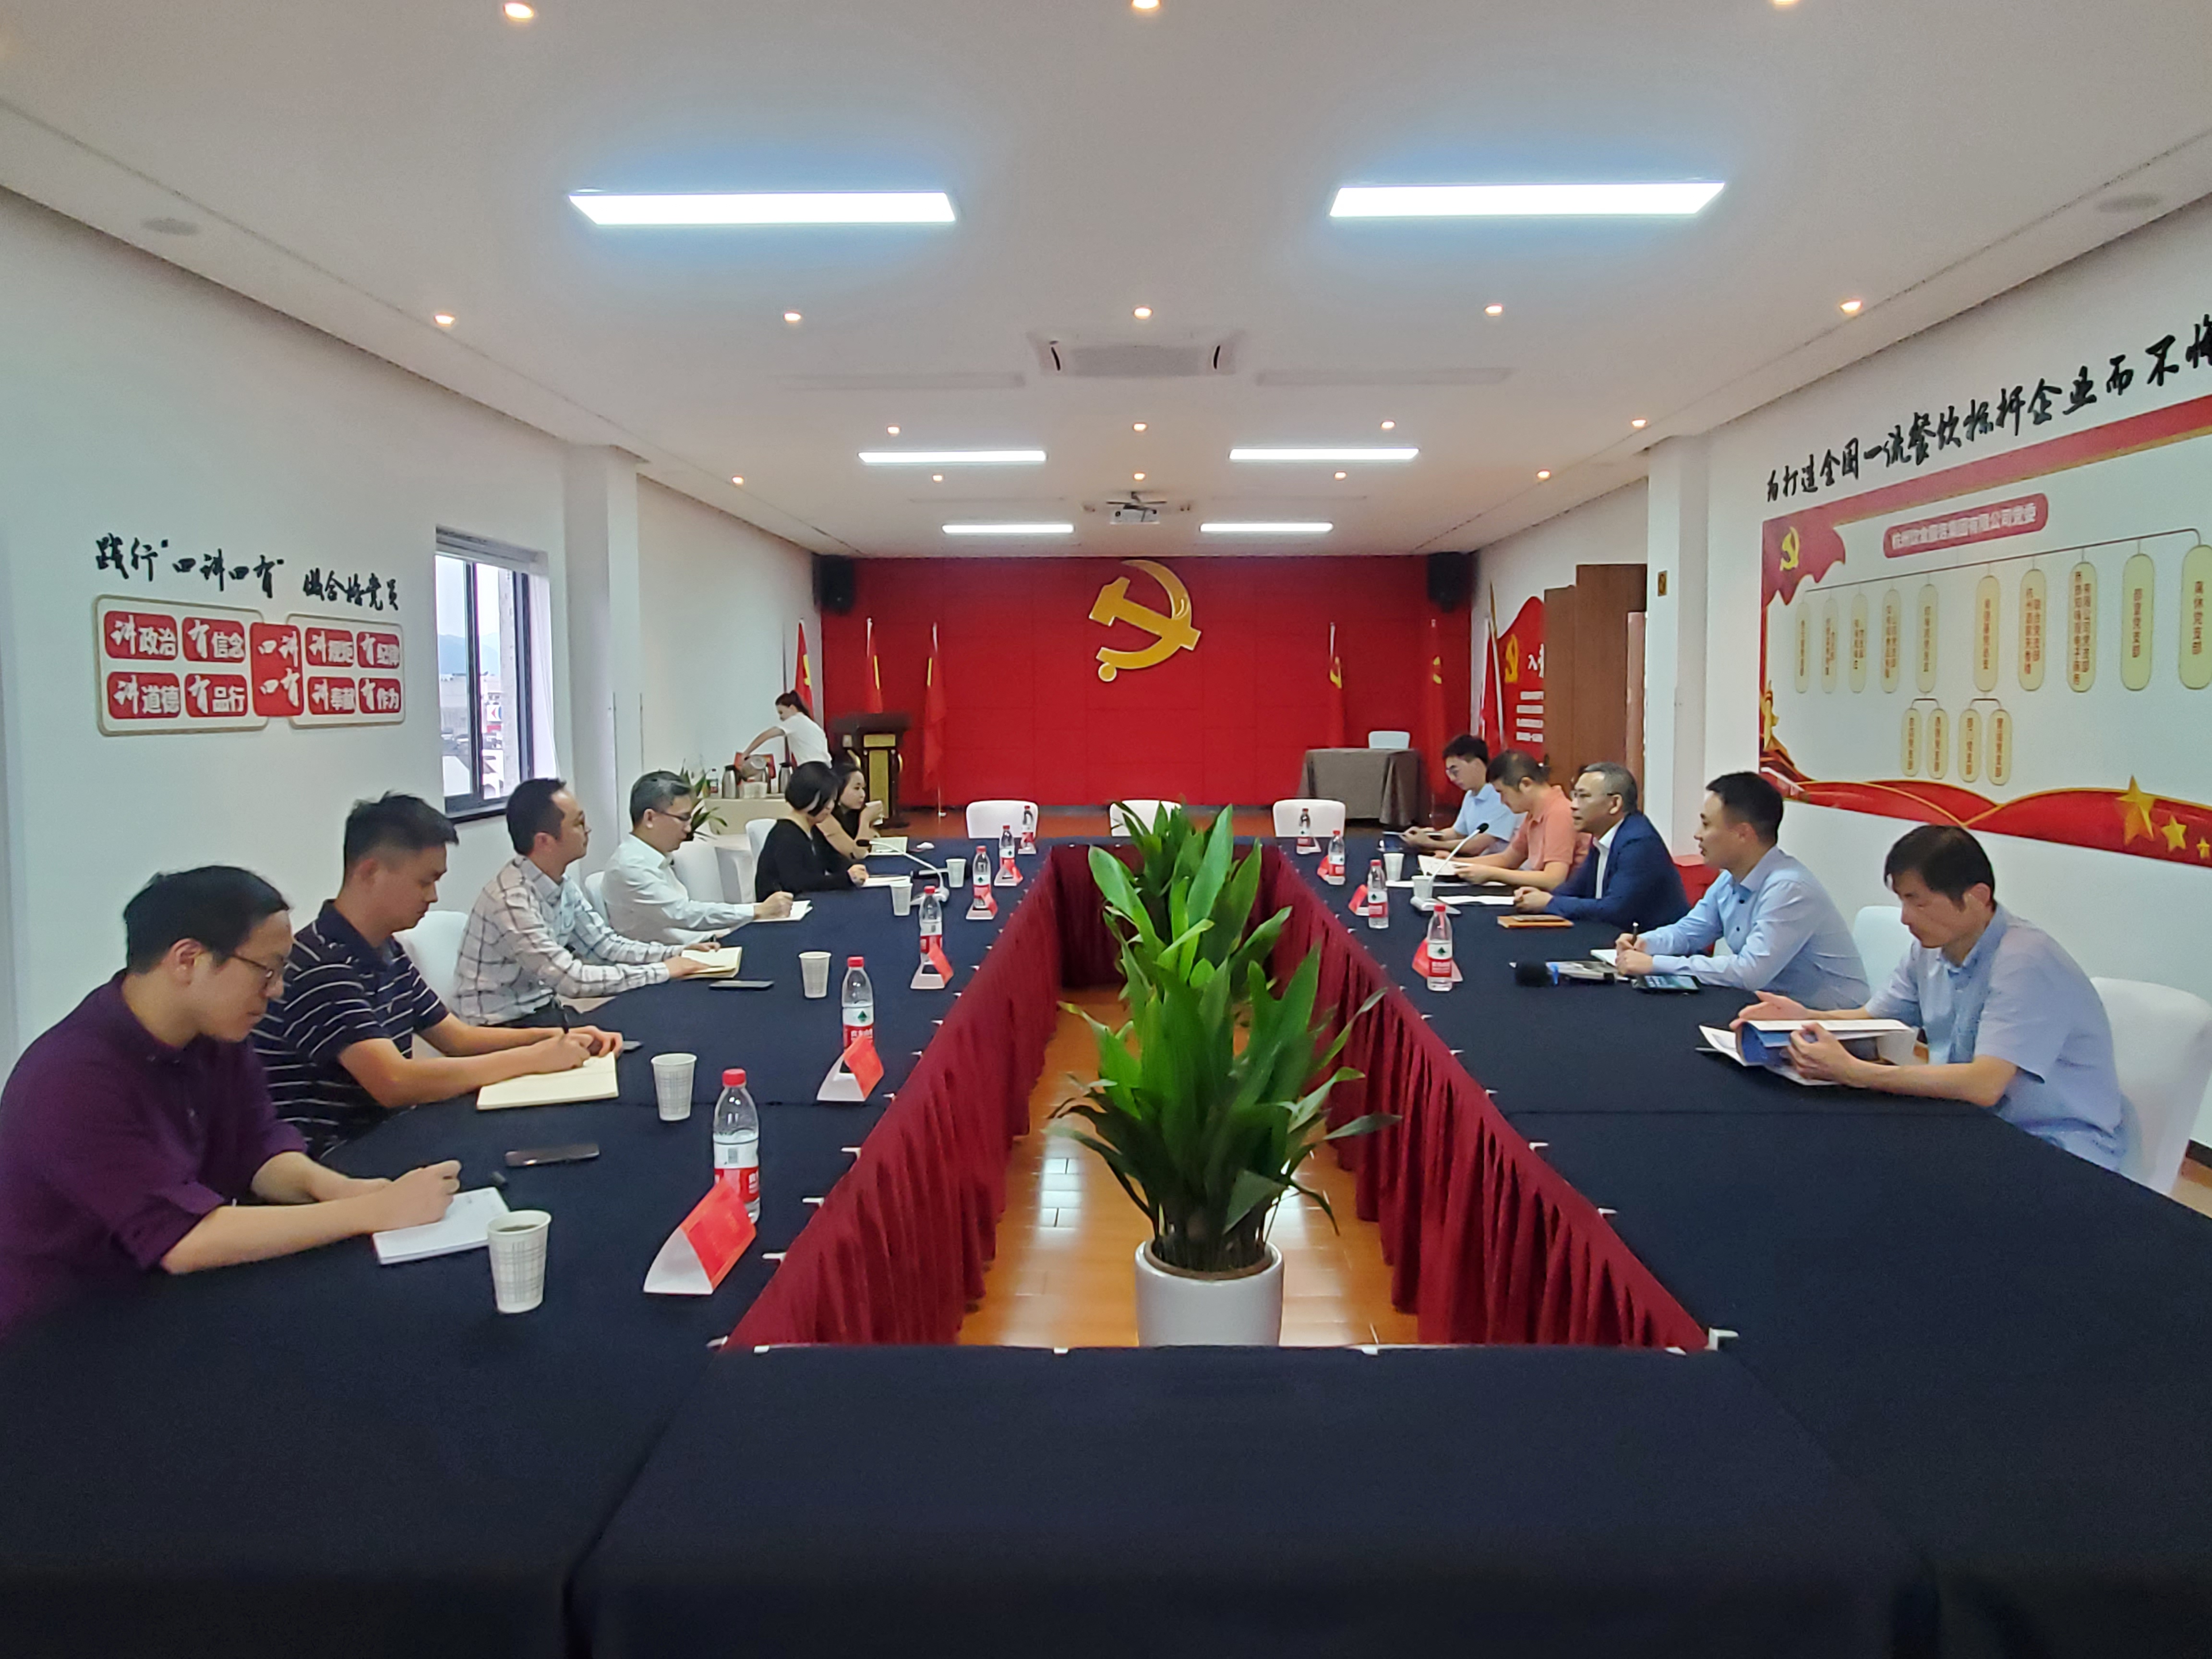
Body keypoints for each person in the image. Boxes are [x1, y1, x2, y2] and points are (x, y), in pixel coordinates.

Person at [0, 867, 462, 1342]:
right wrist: (372, 1213)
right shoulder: (71, 1080)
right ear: (188, 960)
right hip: (61, 1331)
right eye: (266, 970)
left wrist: (342, 1190)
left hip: (165, 1298)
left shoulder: (214, 1035)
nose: (276, 990)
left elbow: (258, 1148)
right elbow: (182, 1240)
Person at [1736, 826, 2128, 1169]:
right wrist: (1801, 1016)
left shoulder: (2024, 961)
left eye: (1918, 901)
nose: (1906, 917)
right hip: (1973, 1125)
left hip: (2055, 1148)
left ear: (1977, 897)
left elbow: (1984, 1085)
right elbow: (1872, 1018)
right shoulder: (1930, 949)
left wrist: (1854, 1073)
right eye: (1903, 901)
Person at [252, 794, 612, 1157]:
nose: (434, 896)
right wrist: (534, 1059)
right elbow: (394, 1082)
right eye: (425, 882)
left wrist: (557, 1037)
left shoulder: (385, 947)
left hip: (389, 1136)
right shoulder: (322, 963)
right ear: (370, 872)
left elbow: (457, 1038)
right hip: (337, 1159)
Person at [453, 777, 714, 1027]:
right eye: (578, 824)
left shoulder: (561, 884)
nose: (588, 830)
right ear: (545, 841)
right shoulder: (511, 900)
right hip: (499, 1027)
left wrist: (676, 953)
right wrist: (663, 970)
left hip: (541, 1013)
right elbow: (572, 980)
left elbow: (605, 946)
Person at [1614, 771, 1868, 1006]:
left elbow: (1749, 973)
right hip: (1771, 1008)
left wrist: (1655, 964)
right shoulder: (1730, 878)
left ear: (1743, 834)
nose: (1697, 835)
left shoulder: (1789, 889)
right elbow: (1690, 932)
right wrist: (1646, 943)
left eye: (1706, 825)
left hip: (1830, 1021)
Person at [602, 770, 793, 945]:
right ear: (650, 818)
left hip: (700, 946)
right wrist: (756, 910)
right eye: (683, 818)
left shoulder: (654, 856)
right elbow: (683, 914)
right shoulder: (631, 866)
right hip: (673, 960)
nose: (688, 828)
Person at [1513, 762, 1689, 932]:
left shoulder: (1639, 843)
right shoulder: (1601, 836)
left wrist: (1550, 902)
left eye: (1584, 797)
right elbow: (1577, 889)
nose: (1573, 805)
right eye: (1575, 795)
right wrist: (1543, 896)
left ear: (1614, 804)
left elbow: (1615, 910)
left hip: (1651, 945)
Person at [1447, 751, 1585, 892]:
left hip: (1565, 899)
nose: (1502, 801)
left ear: (1526, 784)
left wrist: (1492, 874)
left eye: (1502, 793)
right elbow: (1507, 859)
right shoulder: (1534, 812)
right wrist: (1453, 862)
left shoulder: (1559, 812)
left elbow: (1554, 880)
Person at [755, 761, 871, 899]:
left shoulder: (812, 831)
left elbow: (833, 860)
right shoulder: (786, 835)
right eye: (826, 801)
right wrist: (846, 879)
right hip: (785, 908)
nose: (830, 807)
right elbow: (799, 884)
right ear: (809, 797)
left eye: (833, 800)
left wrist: (854, 870)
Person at [1403, 734, 1520, 858]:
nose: (1452, 779)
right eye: (1449, 773)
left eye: (1455, 772)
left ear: (1476, 764)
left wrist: (1430, 844)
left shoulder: (1501, 797)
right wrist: (1430, 835)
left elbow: (1476, 846)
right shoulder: (1471, 794)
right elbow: (1458, 832)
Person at [739, 689, 831, 772]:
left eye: (781, 713)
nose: (781, 718)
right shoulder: (812, 725)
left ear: (792, 708)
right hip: (827, 770)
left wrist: (746, 753)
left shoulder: (796, 720)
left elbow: (767, 735)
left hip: (811, 770)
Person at [817, 754, 884, 864]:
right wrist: (865, 820)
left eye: (863, 788)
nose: (863, 795)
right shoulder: (824, 817)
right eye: (856, 788)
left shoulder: (853, 813)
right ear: (839, 788)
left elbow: (874, 838)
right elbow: (858, 854)